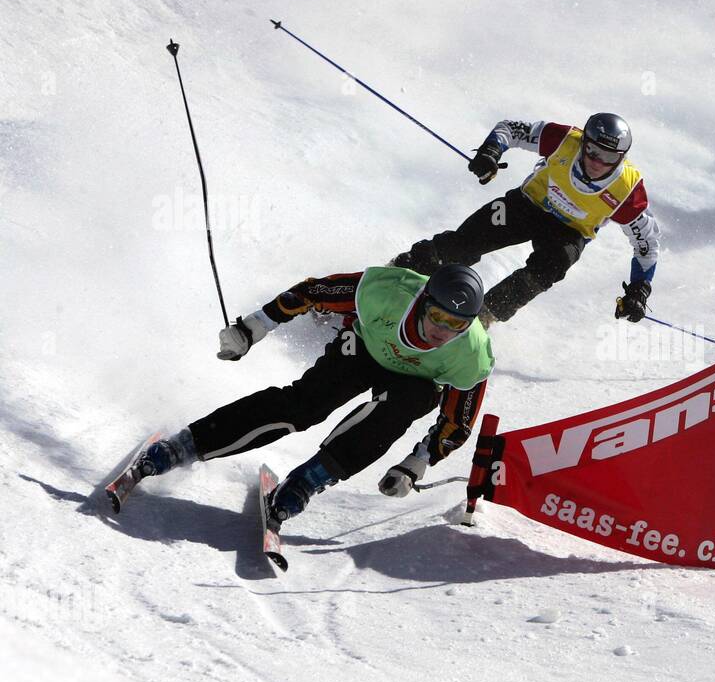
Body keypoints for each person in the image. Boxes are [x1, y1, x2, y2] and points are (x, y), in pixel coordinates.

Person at [131, 264, 494, 527]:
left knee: (403, 407)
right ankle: (188, 444)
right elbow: (310, 293)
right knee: (303, 407)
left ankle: (309, 479)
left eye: (456, 324)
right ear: (423, 300)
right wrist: (253, 327)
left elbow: (457, 423)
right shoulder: (387, 291)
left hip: (415, 382)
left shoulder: (472, 356)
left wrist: (417, 463)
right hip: (364, 348)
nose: (441, 330)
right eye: (436, 316)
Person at [392, 113, 660, 326]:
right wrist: (491, 152)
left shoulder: (627, 190)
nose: (597, 162)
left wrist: (639, 289)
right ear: (583, 142)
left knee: (549, 268)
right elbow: (511, 128)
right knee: (469, 240)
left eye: (609, 157)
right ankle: (404, 270)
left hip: (569, 232)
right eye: (592, 151)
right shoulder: (564, 140)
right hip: (528, 206)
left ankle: (482, 318)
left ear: (621, 158)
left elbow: (646, 245)